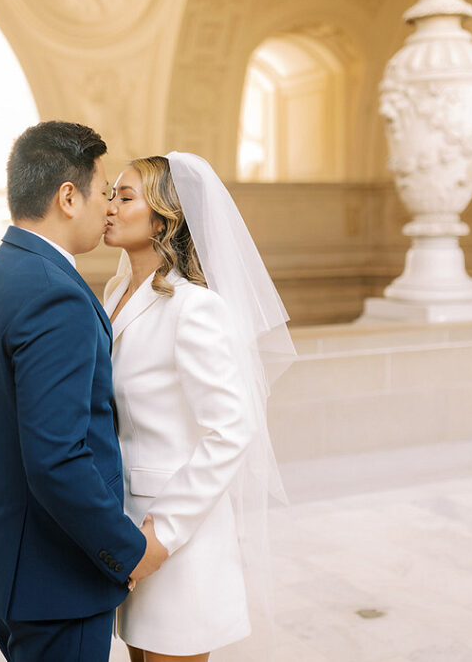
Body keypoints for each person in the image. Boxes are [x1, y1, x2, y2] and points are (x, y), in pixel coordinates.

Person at [0, 121, 169, 662]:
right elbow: (57, 458)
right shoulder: (58, 296)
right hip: (55, 581)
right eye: (103, 193)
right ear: (67, 197)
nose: (109, 209)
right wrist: (129, 551)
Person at [103, 152, 296, 661]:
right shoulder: (115, 292)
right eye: (110, 195)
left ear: (163, 218)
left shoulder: (195, 308)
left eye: (124, 198)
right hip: (124, 524)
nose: (109, 207)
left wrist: (161, 536)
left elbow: (231, 429)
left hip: (177, 537)